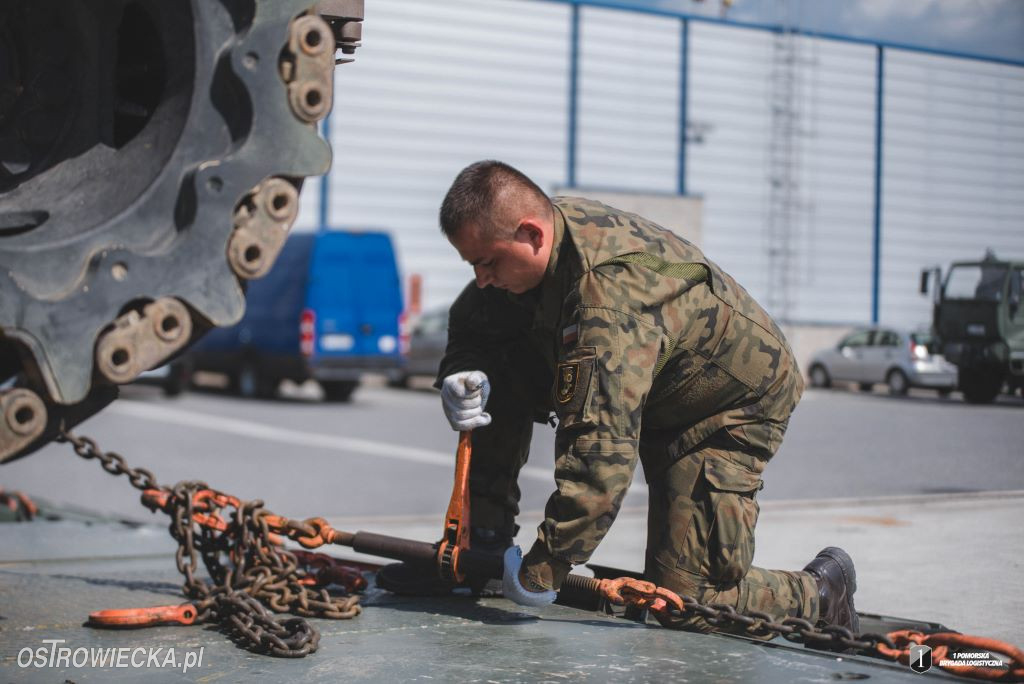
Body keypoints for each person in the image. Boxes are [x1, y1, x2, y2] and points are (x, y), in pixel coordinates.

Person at [377, 160, 858, 636]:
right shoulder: (532, 246)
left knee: (685, 602)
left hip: (724, 407)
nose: (481, 278)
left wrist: (544, 569)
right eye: (473, 265)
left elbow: (600, 457)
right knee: (493, 373)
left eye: (488, 263)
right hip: (657, 385)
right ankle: (480, 544)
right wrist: (461, 372)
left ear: (531, 234)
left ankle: (821, 591)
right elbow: (472, 318)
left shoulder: (606, 297)